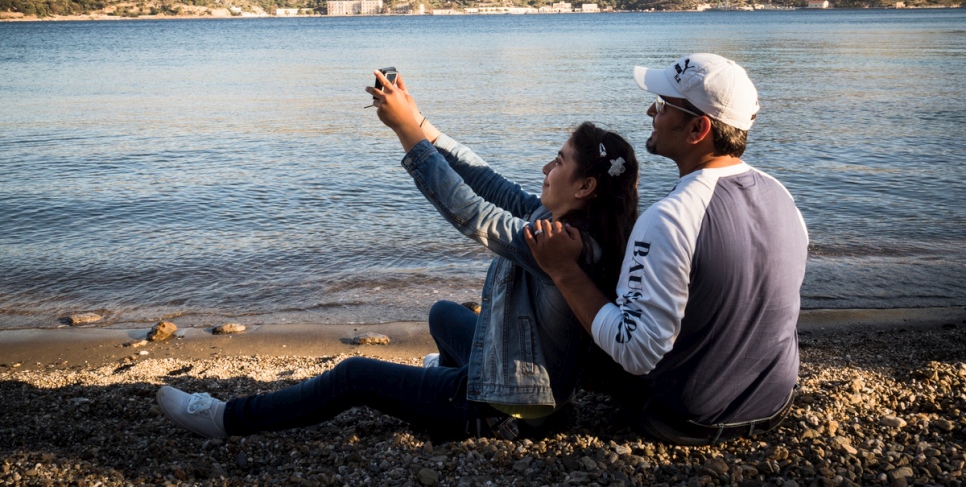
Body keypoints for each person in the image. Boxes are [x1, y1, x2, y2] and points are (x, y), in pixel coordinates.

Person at [156, 69, 639, 441]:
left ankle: (227, 419)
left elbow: (472, 213)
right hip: (518, 375)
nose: (545, 167)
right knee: (443, 314)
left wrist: (406, 134)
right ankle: (452, 390)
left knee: (354, 376)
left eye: (558, 161)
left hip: (505, 401)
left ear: (585, 186)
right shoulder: (567, 221)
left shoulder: (564, 245)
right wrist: (420, 120)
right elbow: (485, 179)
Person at [525, 53, 808, 445]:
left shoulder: (670, 218)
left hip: (687, 422)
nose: (649, 111)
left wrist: (564, 271)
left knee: (594, 332)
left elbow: (634, 351)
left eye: (662, 106)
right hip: (773, 405)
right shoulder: (782, 197)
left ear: (698, 128)